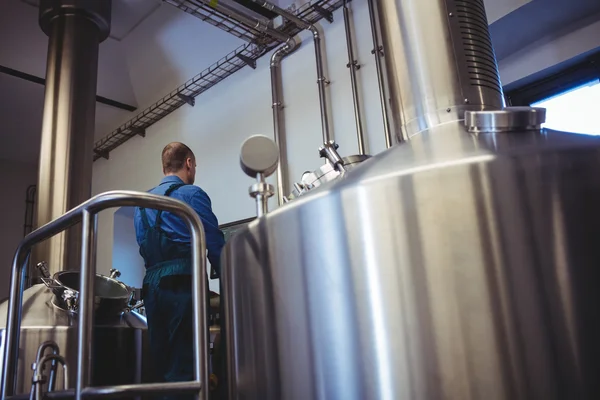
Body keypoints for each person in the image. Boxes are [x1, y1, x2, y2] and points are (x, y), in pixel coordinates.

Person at [133, 142, 226, 399]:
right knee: (185, 368)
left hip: (151, 288)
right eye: (194, 165)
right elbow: (215, 244)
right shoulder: (192, 194)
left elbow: (144, 248)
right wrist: (232, 285)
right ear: (188, 163)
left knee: (163, 367)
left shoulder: (140, 204)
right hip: (182, 285)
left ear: (164, 166)